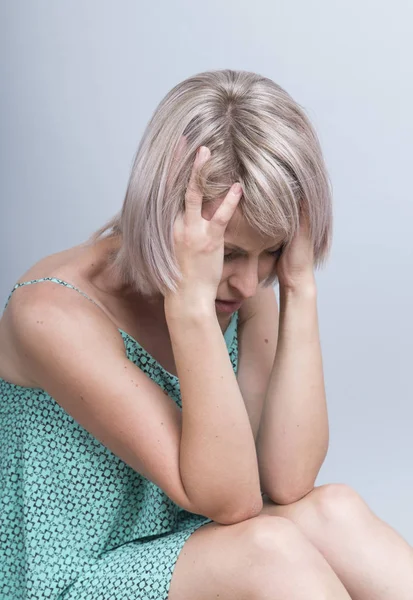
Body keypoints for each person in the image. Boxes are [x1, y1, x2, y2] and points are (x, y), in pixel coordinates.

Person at [0, 69, 412, 600]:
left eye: (271, 252)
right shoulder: (51, 313)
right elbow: (233, 501)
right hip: (72, 579)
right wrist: (190, 309)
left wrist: (300, 285)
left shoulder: (243, 288)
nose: (247, 280)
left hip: (190, 547)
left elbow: (286, 479)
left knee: (334, 510)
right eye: (231, 253)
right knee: (270, 551)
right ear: (166, 215)